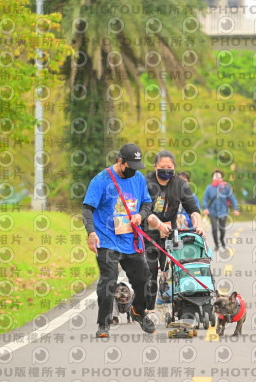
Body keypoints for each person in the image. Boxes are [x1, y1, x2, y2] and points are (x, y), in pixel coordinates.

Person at [82, 143, 156, 337]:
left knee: (144, 279)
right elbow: (87, 209)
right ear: (120, 161)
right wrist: (91, 233)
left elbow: (147, 203)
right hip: (107, 239)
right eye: (130, 167)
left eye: (136, 167)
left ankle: (138, 311)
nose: (133, 171)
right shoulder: (101, 180)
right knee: (109, 280)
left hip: (130, 240)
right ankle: (104, 324)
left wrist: (140, 215)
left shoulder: (138, 178)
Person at [142, 151, 204, 314]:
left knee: (175, 271)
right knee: (149, 272)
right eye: (162, 166)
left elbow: (193, 209)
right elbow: (143, 210)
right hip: (149, 234)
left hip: (171, 234)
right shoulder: (145, 183)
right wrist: (159, 226)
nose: (166, 170)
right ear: (155, 167)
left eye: (169, 167)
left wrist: (198, 225)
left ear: (174, 168)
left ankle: (178, 308)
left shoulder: (180, 184)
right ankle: (149, 309)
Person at [202, 170, 239, 251]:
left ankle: (222, 241)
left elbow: (232, 198)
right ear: (212, 177)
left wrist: (236, 208)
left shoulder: (226, 188)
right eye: (215, 176)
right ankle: (216, 244)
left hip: (223, 212)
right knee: (214, 228)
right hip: (212, 212)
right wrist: (205, 208)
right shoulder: (209, 188)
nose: (217, 178)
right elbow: (205, 199)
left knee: (222, 229)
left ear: (222, 178)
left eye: (219, 176)